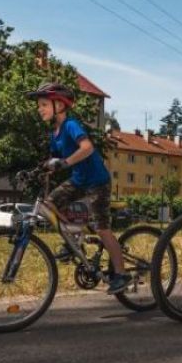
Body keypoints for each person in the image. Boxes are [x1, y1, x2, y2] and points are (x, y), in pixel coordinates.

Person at [26, 81, 130, 295]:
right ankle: (75, 242)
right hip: (78, 180)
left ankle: (121, 274)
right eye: (39, 105)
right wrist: (37, 170)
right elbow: (53, 160)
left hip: (97, 181)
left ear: (60, 105)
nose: (40, 109)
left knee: (102, 228)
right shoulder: (54, 133)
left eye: (44, 104)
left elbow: (87, 148)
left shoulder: (71, 125)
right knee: (50, 203)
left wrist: (64, 163)